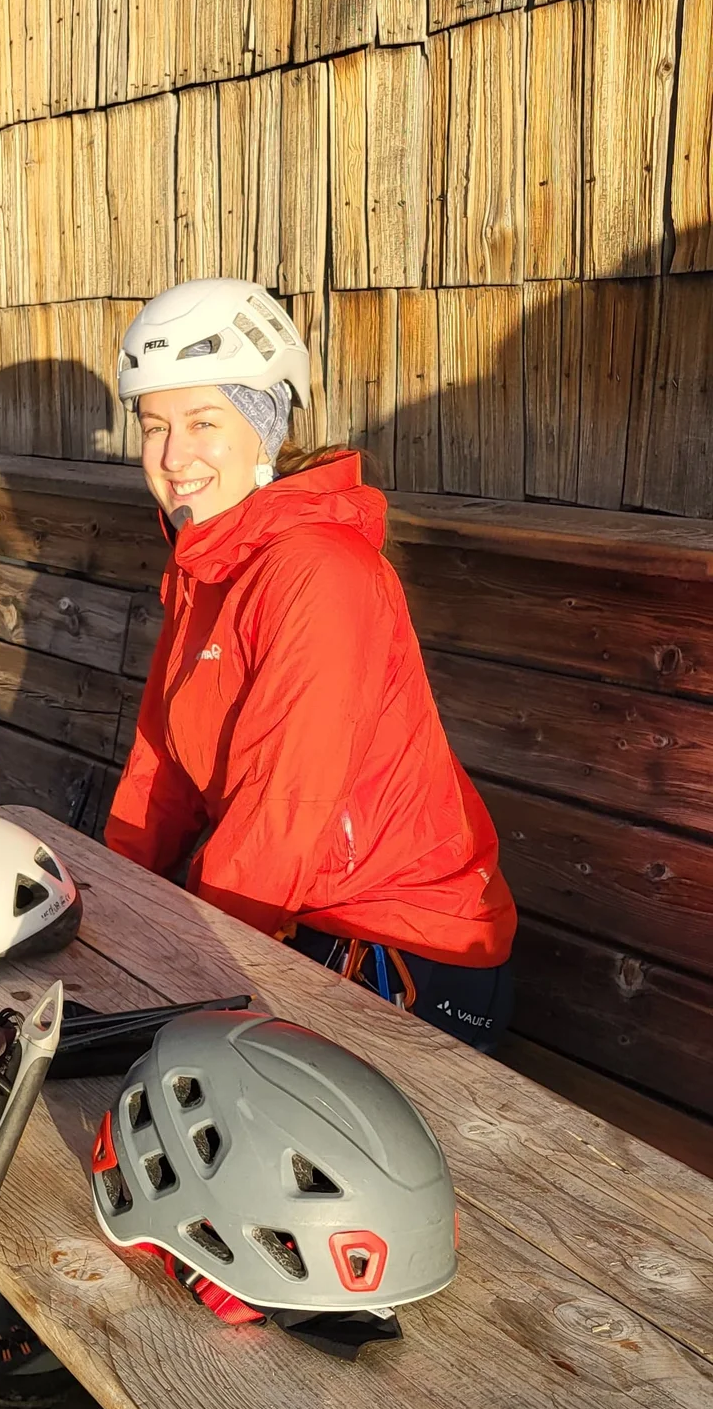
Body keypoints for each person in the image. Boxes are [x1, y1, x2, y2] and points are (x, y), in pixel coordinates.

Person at [105, 277, 516, 1044]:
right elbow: (158, 768)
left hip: (400, 947)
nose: (172, 455)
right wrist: (111, 899)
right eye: (153, 425)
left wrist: (193, 968)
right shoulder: (207, 561)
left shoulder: (316, 571)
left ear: (264, 429)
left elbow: (284, 808)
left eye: (204, 421)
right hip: (290, 912)